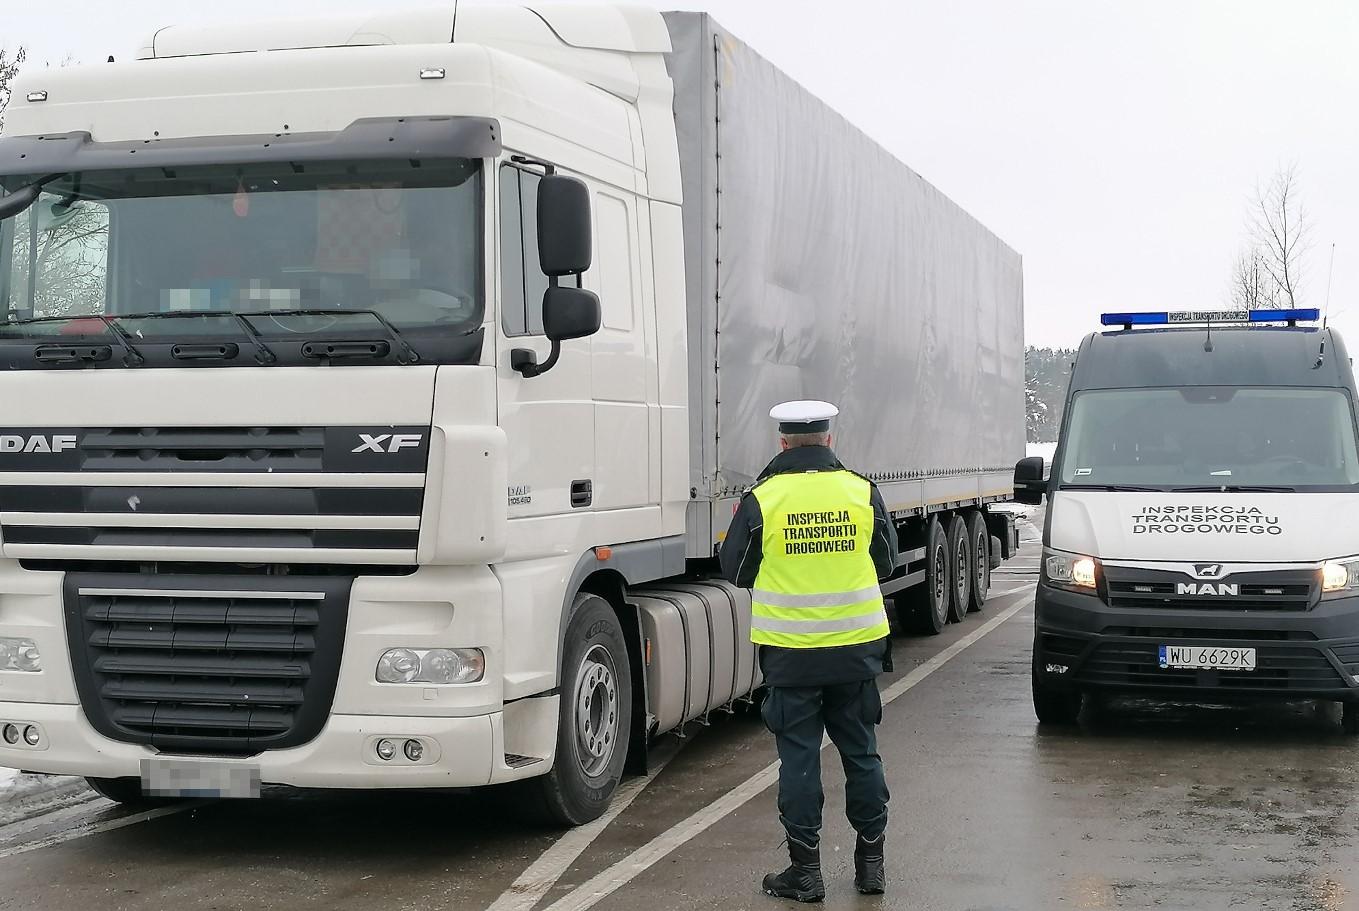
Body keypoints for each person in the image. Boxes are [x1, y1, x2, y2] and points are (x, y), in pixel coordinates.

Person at [720, 400, 898, 902]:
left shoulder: (763, 499)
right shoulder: (861, 491)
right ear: (828, 439)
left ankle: (806, 873)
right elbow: (885, 562)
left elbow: (735, 571)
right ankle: (871, 867)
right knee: (861, 753)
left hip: (791, 654)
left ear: (782, 442)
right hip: (855, 652)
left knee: (799, 761)